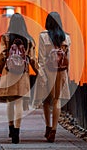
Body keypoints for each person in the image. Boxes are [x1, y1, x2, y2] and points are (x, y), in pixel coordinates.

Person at [0, 13, 39, 144]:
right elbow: (32, 58)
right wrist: (38, 71)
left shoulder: (6, 37)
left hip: (9, 73)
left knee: (10, 102)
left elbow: (1, 54)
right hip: (22, 73)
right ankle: (17, 132)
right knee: (19, 102)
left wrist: (0, 68)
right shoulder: (29, 40)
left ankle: (11, 128)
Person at [33, 11, 71, 143]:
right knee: (57, 100)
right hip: (61, 72)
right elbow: (68, 59)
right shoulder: (66, 37)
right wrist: (67, 75)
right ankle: (54, 129)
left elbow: (41, 58)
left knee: (46, 101)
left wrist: (42, 75)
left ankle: (48, 127)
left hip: (48, 72)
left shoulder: (43, 36)